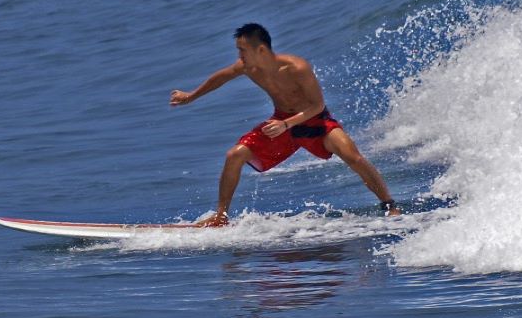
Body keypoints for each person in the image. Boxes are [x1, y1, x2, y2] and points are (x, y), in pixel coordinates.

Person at [170, 23, 400, 225]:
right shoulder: (247, 67)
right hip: (282, 123)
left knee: (353, 157)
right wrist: (190, 96)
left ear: (261, 50)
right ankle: (221, 216)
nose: (239, 56)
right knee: (234, 155)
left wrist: (287, 124)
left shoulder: (296, 68)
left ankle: (389, 205)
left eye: (243, 50)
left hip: (314, 121)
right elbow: (220, 77)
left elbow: (318, 105)